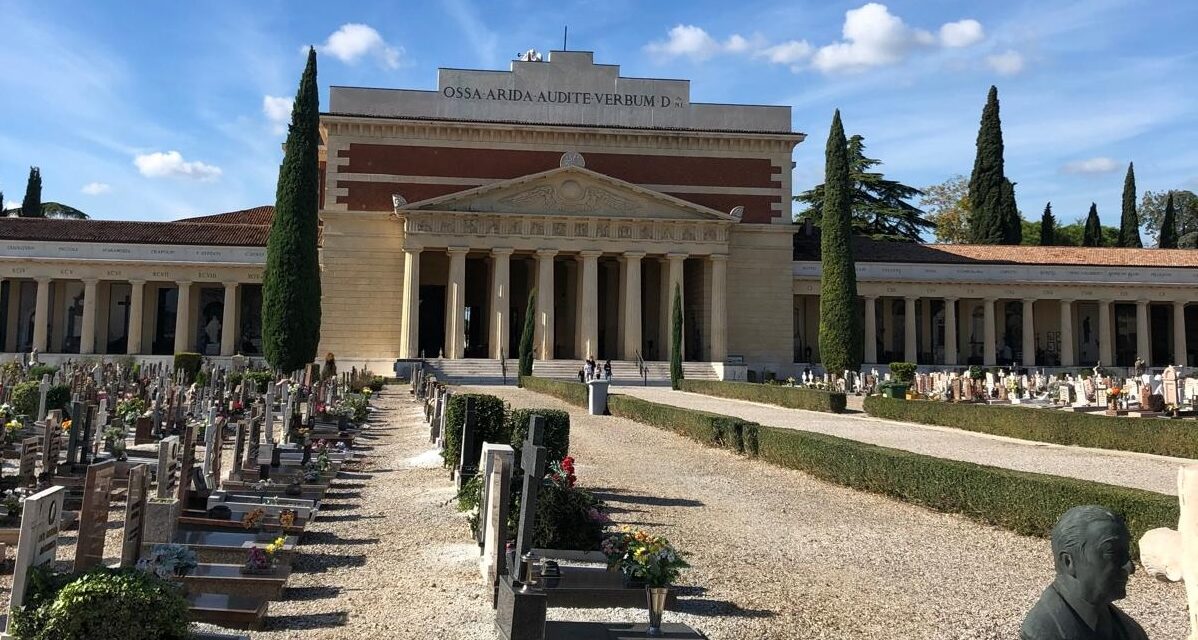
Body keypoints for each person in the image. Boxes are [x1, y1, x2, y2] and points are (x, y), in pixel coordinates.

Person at [1020, 505, 1146, 640]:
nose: (1130, 567)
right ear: (1068, 561)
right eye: (1112, 552)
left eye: (1126, 552)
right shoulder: (1043, 631)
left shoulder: (1132, 631)